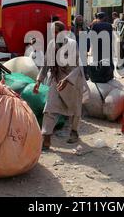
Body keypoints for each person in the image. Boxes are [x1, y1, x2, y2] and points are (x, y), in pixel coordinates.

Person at [34, 21, 86, 151]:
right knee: (49, 108)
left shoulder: (72, 45)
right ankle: (46, 138)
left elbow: (78, 67)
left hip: (73, 81)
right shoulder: (51, 45)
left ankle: (74, 132)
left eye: (56, 31)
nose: (54, 34)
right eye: (52, 32)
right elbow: (46, 64)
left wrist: (67, 80)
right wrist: (38, 81)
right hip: (56, 80)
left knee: (75, 109)